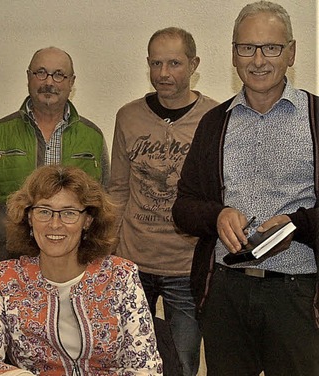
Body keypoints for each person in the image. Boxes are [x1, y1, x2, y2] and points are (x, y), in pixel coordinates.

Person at [172, 1, 319, 374]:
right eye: (246, 47)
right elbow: (184, 207)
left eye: (271, 47)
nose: (258, 59)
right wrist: (217, 215)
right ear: (233, 54)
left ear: (291, 52)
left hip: (298, 293)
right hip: (225, 291)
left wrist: (295, 224)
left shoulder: (317, 118)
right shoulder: (213, 123)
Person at [0, 165, 162, 374]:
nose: (55, 224)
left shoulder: (121, 275)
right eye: (44, 212)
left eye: (69, 213)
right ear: (29, 218)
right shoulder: (5, 277)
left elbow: (147, 368)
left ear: (88, 220)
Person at [108, 27, 218, 375]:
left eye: (174, 63)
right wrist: (107, 255)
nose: (164, 73)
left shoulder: (214, 118)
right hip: (132, 263)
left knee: (184, 361)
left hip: (186, 268)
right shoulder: (127, 116)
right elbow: (118, 189)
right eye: (156, 63)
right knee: (127, 361)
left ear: (194, 64)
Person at [0, 46, 110, 298]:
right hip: (10, 267)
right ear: (28, 77)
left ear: (72, 82)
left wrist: (104, 271)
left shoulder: (92, 136)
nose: (49, 82)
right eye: (41, 73)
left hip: (77, 275)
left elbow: (104, 214)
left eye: (59, 75)